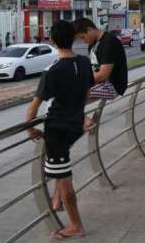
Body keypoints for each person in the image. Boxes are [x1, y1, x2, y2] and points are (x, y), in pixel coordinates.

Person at [24, 20, 93, 240]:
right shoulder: (84, 63)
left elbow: (33, 107)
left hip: (57, 131)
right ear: (73, 38)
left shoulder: (52, 71)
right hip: (75, 126)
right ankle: (58, 201)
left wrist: (30, 131)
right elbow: (87, 94)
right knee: (60, 173)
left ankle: (76, 226)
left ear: (52, 41)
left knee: (64, 180)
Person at [73, 18, 128, 128]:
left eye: (83, 37)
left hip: (112, 86)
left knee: (68, 95)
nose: (84, 41)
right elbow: (94, 70)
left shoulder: (109, 42)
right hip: (101, 84)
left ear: (89, 29)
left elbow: (103, 75)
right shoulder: (92, 45)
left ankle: (85, 121)